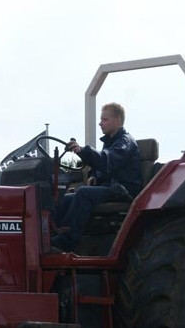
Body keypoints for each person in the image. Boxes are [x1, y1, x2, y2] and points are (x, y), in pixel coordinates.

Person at [51, 102, 141, 253]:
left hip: (123, 190)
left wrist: (82, 150)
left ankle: (66, 241)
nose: (100, 123)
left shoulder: (125, 142)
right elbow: (103, 165)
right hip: (110, 186)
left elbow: (107, 159)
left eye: (104, 119)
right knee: (66, 199)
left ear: (117, 120)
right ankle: (52, 236)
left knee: (83, 193)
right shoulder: (111, 141)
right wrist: (94, 175)